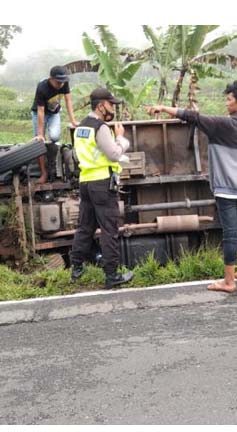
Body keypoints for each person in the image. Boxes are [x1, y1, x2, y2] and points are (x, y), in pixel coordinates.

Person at [148, 81, 237, 293]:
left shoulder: (225, 125)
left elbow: (192, 116)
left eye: (229, 99)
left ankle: (229, 282)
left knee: (230, 234)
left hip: (227, 189)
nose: (226, 103)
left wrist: (164, 108)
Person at [69, 87, 134, 289]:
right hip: (102, 184)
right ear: (100, 105)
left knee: (85, 226)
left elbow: (77, 155)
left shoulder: (81, 127)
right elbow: (114, 154)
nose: (112, 107)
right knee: (109, 230)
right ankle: (111, 275)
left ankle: (76, 267)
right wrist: (122, 139)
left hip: (85, 182)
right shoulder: (101, 127)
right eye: (110, 103)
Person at [31, 65, 80, 183]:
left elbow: (68, 100)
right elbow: (41, 112)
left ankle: (53, 160)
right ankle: (43, 173)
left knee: (54, 137)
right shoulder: (42, 87)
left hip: (54, 113)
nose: (61, 85)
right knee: (39, 142)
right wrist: (40, 134)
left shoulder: (64, 83)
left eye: (62, 82)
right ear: (51, 79)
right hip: (39, 113)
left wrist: (73, 120)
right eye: (58, 82)